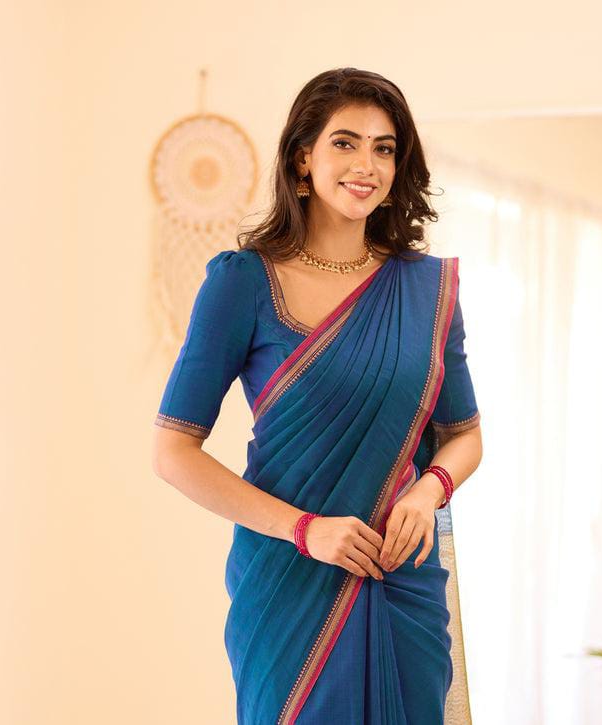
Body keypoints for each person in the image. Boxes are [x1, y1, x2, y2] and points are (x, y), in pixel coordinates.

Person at [152, 67, 483, 725]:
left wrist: (428, 490)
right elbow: (173, 452)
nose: (366, 165)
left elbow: (464, 434)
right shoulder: (243, 282)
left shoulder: (427, 292)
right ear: (303, 157)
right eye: (345, 142)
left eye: (384, 148)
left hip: (399, 578)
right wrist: (305, 530)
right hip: (288, 582)